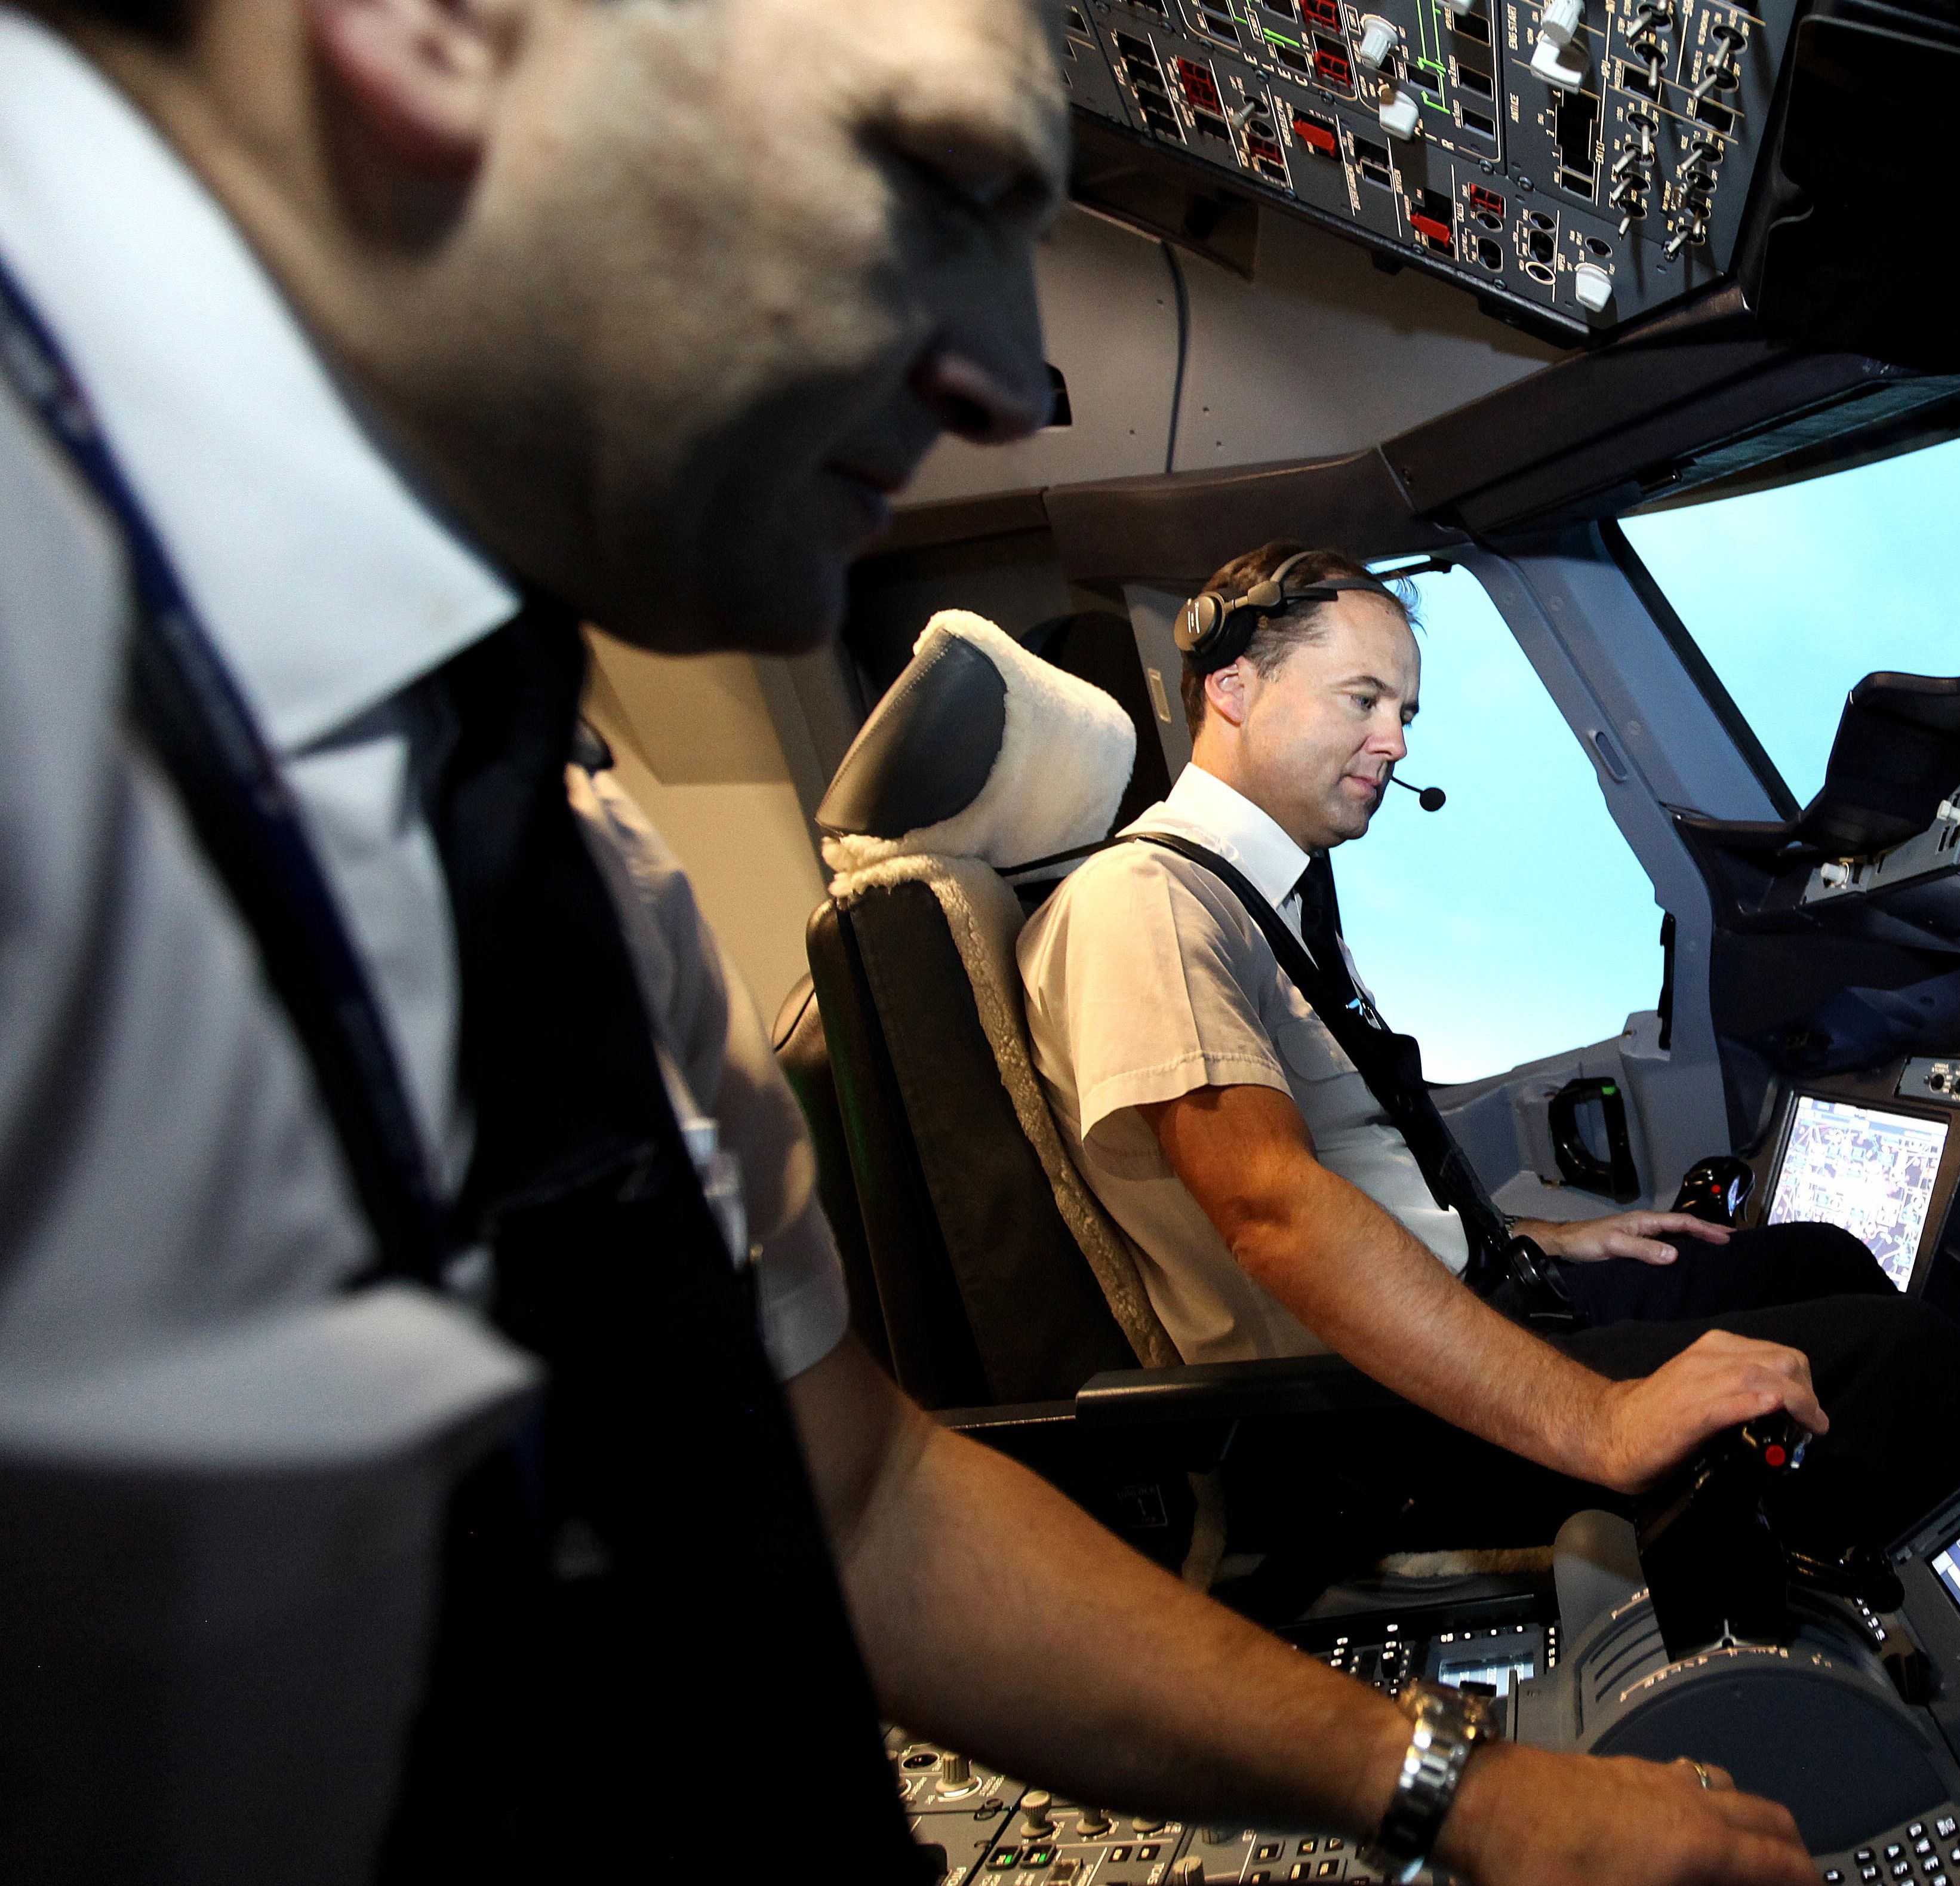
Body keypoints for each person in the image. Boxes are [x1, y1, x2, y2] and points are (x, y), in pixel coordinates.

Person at [0, 2, 1819, 1882]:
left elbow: (857, 1508)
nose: (1012, 383)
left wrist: (1459, 1788)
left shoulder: (570, 863)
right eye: (938, 181)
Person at [1016, 543, 1960, 1544]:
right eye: (1363, 700)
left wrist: (1527, 1241)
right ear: (1233, 689)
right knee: (1904, 1363)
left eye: (1404, 713)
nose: (1395, 742)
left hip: (1467, 1302)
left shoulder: (1272, 898)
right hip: (1373, 1423)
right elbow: (1272, 1213)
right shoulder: (1145, 904)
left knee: (1814, 1262)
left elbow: (1357, 1173)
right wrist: (1604, 1418)